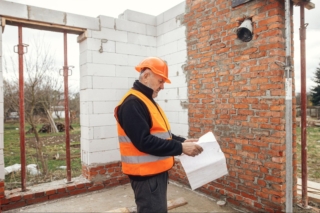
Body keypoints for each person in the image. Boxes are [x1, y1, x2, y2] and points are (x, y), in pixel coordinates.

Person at [114, 57, 203, 213]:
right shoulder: (133, 103)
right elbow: (144, 142)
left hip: (155, 173)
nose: (162, 86)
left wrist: (183, 141)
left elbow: (161, 134)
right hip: (147, 176)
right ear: (147, 75)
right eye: (161, 81)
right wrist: (181, 148)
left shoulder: (146, 101)